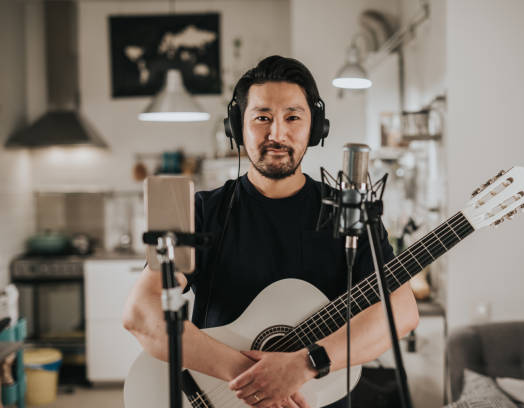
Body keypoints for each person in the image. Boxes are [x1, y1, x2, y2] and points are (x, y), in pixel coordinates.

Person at [123, 55, 419, 408]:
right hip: (221, 396)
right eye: (262, 117)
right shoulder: (200, 211)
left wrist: (305, 365)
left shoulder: (352, 214)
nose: (276, 133)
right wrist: (252, 378)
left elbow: (401, 312)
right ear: (237, 126)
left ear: (316, 127)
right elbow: (142, 314)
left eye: (293, 117)